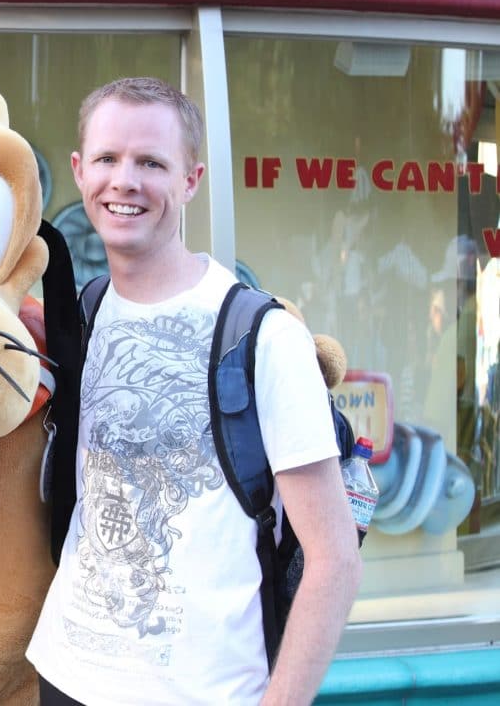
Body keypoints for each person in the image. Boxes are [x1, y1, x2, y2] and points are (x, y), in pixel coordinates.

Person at [27, 78, 362, 705]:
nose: (124, 180)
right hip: (64, 674)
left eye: (151, 162)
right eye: (107, 158)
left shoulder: (262, 336)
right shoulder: (84, 314)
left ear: (191, 179)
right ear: (79, 171)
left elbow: (335, 559)